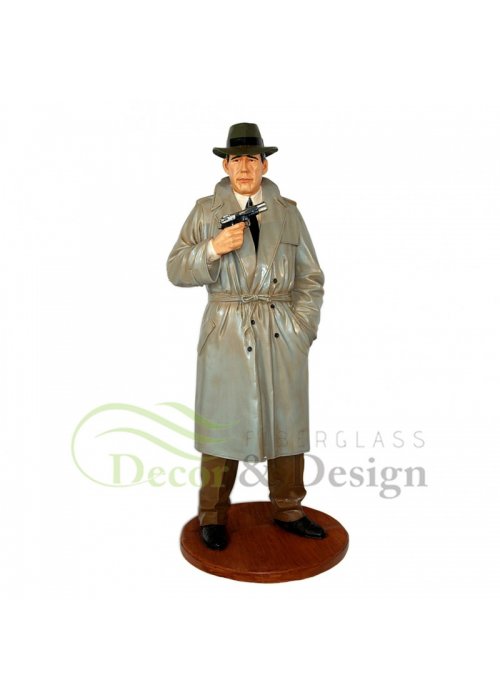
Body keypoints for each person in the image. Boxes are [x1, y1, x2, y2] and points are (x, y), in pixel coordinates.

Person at [167, 123, 326, 550]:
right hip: (227, 330)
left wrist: (301, 328)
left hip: (281, 330)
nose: (243, 167)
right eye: (236, 159)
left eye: (251, 159)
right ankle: (212, 514)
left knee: (286, 420)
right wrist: (212, 248)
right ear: (225, 165)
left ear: (264, 165)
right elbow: (175, 268)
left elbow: (310, 276)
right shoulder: (205, 211)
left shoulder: (288, 212)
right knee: (222, 423)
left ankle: (289, 508)